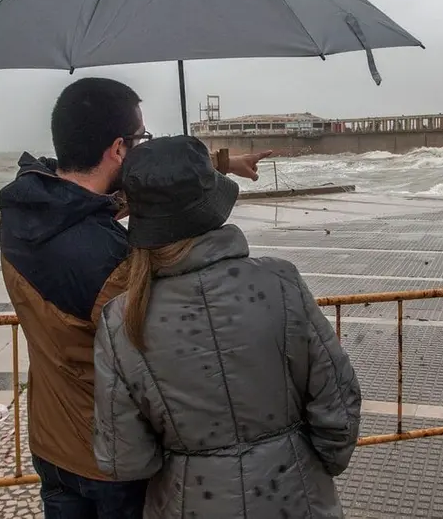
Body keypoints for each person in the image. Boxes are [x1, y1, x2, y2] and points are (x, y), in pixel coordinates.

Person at [0, 77, 271, 518]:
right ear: (118, 149)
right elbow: (163, 361)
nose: (143, 147)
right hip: (108, 457)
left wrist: (221, 163)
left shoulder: (26, 209)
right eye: (140, 139)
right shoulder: (112, 263)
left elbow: (113, 195)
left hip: (50, 441)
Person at [92, 136, 362, 518]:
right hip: (297, 498)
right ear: (213, 205)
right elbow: (338, 401)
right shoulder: (280, 282)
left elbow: (125, 458)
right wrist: (315, 469)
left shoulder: (120, 320)